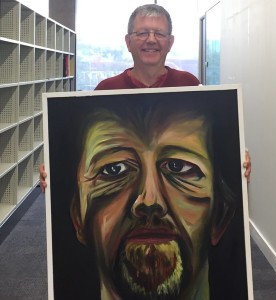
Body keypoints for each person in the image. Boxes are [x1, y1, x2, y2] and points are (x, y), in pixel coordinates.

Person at [39, 4, 251, 192]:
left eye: (159, 33)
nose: (151, 40)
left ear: (170, 42)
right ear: (128, 42)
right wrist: (55, 175)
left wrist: (236, 162)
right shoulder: (106, 91)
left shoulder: (189, 85)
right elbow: (87, 155)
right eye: (142, 33)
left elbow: (212, 144)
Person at [66, 94, 243, 300]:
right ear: (78, 216)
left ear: (220, 213)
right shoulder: (104, 90)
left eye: (178, 167)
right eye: (115, 169)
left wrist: (243, 163)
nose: (149, 201)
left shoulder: (189, 86)